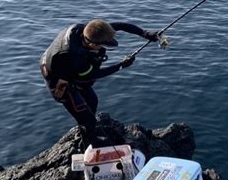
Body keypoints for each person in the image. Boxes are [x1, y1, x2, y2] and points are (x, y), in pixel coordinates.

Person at [40, 19, 160, 150]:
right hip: (58, 79)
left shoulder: (90, 30)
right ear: (91, 43)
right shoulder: (75, 57)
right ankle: (89, 144)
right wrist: (120, 66)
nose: (103, 48)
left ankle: (86, 128)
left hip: (70, 67)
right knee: (86, 116)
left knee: (92, 100)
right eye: (102, 45)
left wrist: (146, 34)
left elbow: (121, 25)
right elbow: (92, 74)